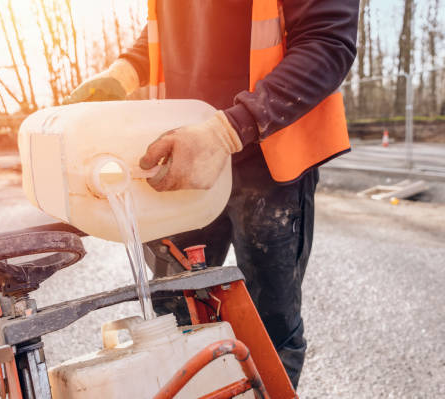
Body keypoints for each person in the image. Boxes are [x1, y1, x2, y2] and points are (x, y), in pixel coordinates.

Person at [67, 0, 359, 388]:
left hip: (270, 161)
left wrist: (228, 130)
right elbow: (170, 30)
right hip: (180, 154)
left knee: (269, 330)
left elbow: (328, 40)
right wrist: (124, 71)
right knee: (175, 320)